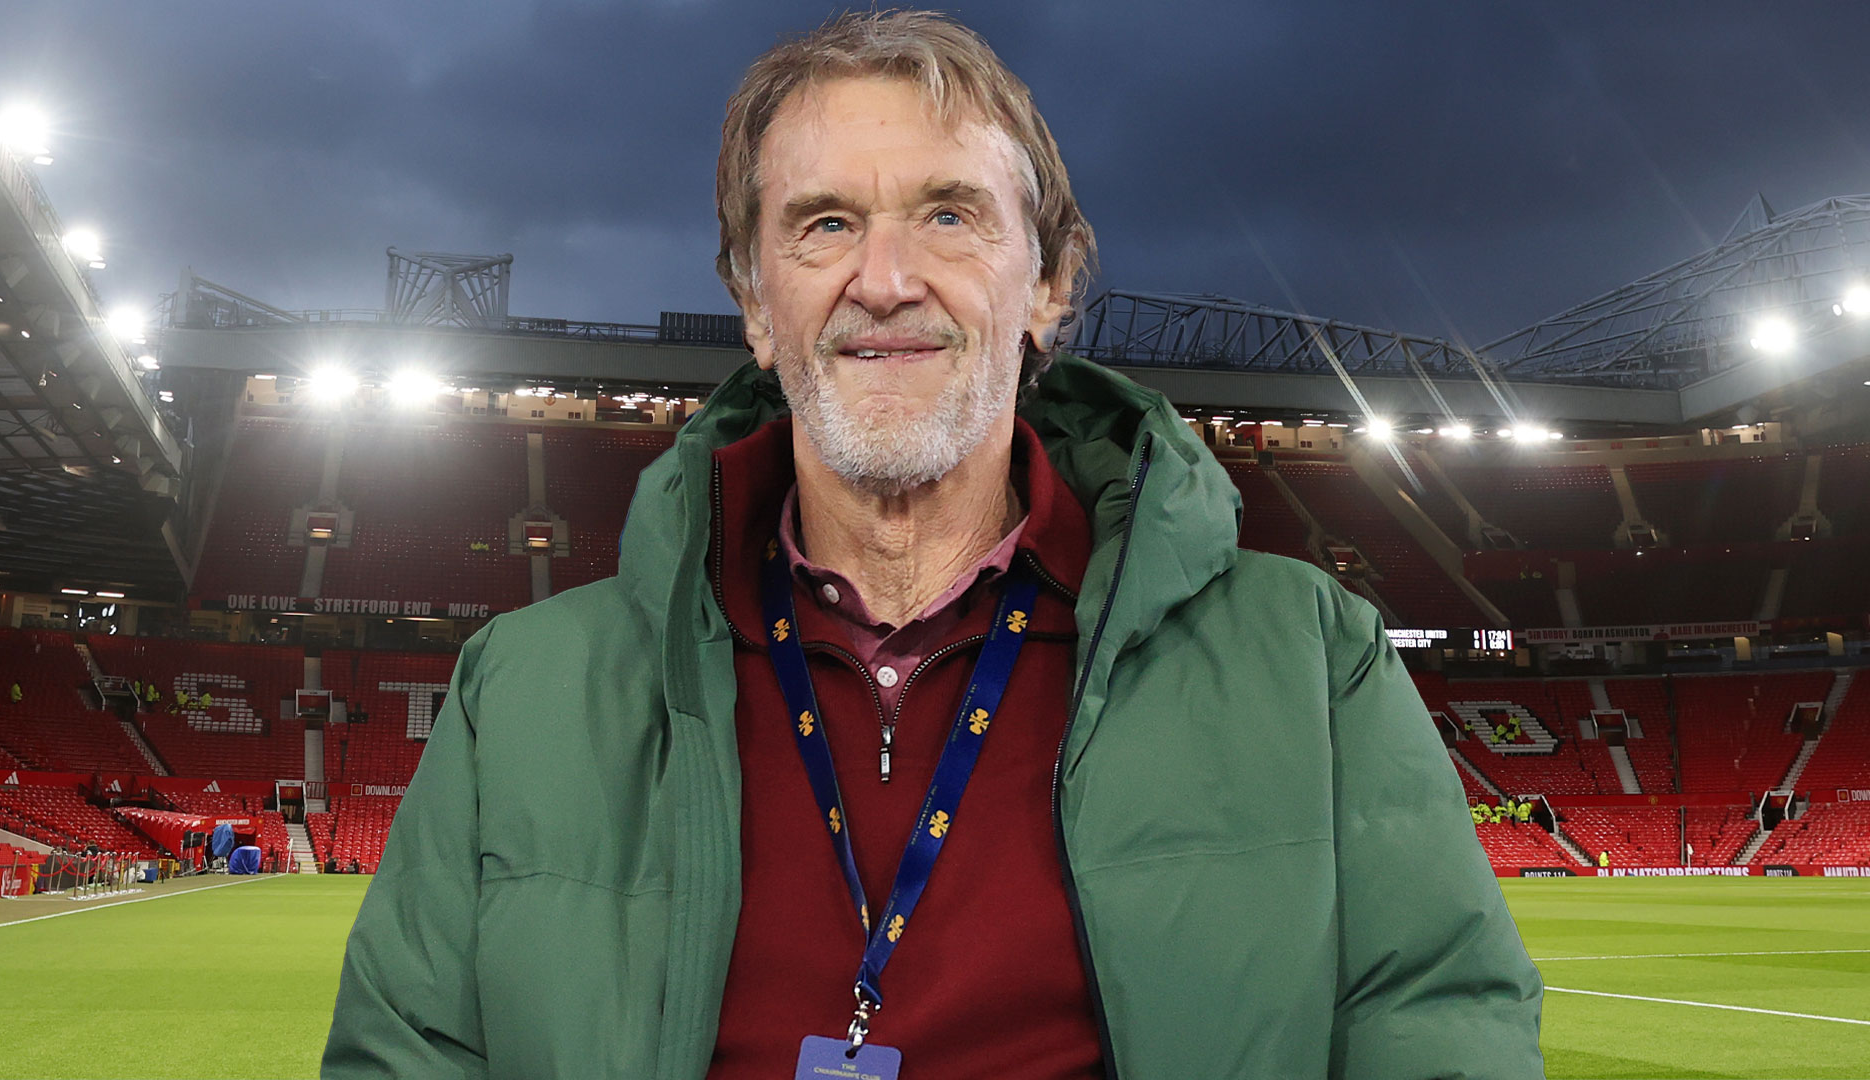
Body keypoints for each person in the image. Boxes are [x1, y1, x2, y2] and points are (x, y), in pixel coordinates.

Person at [323, 11, 1542, 1078]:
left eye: (949, 215)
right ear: (756, 302)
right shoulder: (519, 695)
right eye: (824, 224)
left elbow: (1438, 1027)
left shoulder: (1312, 664)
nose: (885, 278)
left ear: (1050, 284)